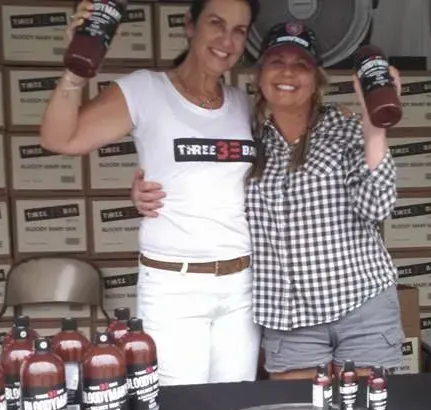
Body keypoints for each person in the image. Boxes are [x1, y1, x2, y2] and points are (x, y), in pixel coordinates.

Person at [133, 22, 406, 380]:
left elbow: (377, 206)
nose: (288, 73)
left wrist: (375, 126)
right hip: (290, 318)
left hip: (362, 305)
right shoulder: (242, 137)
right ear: (259, 75)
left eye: (301, 65)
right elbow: (196, 181)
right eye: (277, 61)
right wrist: (145, 190)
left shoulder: (345, 129)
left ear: (316, 79)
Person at [40, 0, 263, 386]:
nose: (226, 40)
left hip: (240, 285)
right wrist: (74, 72)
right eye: (216, 23)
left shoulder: (244, 104)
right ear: (189, 26)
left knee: (235, 406)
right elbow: (60, 138)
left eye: (239, 31)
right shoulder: (145, 90)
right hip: (174, 285)